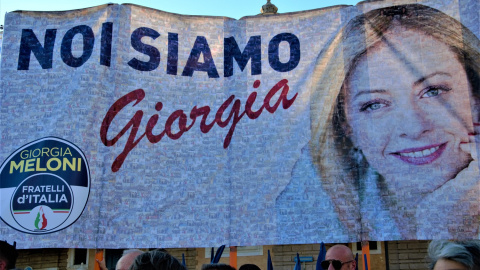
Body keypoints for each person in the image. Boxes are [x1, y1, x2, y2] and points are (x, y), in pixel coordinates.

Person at [308, 3, 480, 239]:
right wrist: (443, 228)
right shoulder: (315, 218)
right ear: (347, 128)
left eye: (433, 91)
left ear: (475, 97)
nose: (414, 127)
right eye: (374, 104)